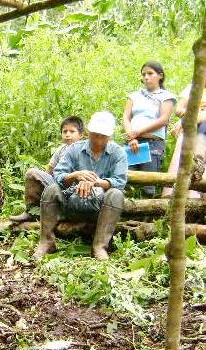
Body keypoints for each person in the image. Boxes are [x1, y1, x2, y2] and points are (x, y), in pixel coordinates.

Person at [36, 112, 128, 260]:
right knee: (52, 189)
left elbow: (120, 181)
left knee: (116, 194)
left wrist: (96, 182)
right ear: (89, 132)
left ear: (109, 136)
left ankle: (99, 246)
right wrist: (75, 175)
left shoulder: (118, 153)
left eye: (102, 135)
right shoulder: (74, 149)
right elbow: (58, 174)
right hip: (71, 202)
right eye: (95, 134)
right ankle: (46, 242)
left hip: (100, 208)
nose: (98, 139)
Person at [10, 116, 84, 223]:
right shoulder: (61, 149)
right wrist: (40, 183)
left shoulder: (84, 150)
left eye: (72, 131)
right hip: (57, 184)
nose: (67, 134)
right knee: (32, 173)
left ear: (81, 135)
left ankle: (61, 214)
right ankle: (32, 212)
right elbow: (50, 168)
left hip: (74, 190)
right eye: (64, 131)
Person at [123, 61, 176, 197]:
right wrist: (132, 136)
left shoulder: (166, 96)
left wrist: (138, 132)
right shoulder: (134, 96)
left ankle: (146, 218)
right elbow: (126, 117)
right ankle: (123, 216)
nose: (146, 77)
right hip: (133, 142)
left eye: (150, 73)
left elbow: (163, 120)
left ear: (160, 76)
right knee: (126, 182)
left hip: (153, 144)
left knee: (149, 186)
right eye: (144, 74)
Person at [162, 82, 206, 198]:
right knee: (184, 140)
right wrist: (192, 115)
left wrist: (199, 115)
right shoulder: (194, 86)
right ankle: (171, 191)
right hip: (191, 124)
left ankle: (195, 192)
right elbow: (179, 109)